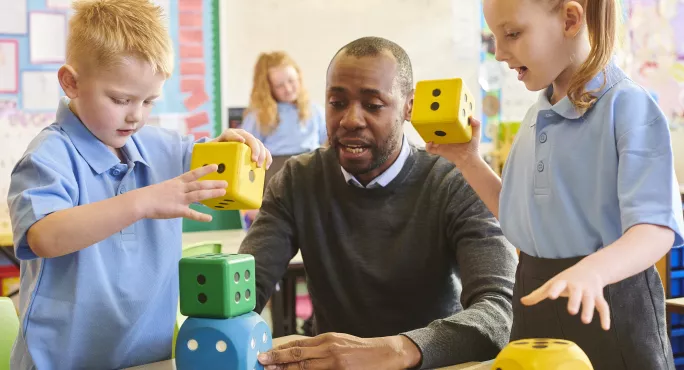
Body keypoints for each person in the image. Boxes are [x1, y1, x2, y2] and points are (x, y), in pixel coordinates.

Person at [7, 1, 270, 369]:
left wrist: (231, 147)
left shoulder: (162, 146)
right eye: (120, 99)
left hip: (150, 360)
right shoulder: (48, 157)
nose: (136, 115)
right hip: (64, 362)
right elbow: (43, 237)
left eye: (149, 101)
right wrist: (141, 202)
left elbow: (210, 166)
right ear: (71, 82)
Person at [427, 0, 684, 369]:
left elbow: (656, 228)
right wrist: (469, 161)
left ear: (569, 19)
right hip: (534, 297)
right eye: (494, 37)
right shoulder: (537, 115)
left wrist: (594, 271)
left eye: (512, 34)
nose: (499, 52)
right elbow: (519, 215)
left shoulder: (627, 106)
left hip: (608, 301)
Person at [239, 36, 518, 370]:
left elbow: (500, 311)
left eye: (372, 105)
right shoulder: (296, 181)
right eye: (337, 102)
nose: (350, 120)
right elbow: (242, 291)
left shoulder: (454, 181)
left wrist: (399, 350)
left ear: (408, 107)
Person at [241, 51, 326, 225]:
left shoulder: (314, 111)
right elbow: (243, 160)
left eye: (291, 81)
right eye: (279, 85)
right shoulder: (259, 117)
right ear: (268, 87)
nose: (288, 88)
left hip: (309, 184)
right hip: (273, 184)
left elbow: (330, 145)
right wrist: (248, 205)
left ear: (299, 78)